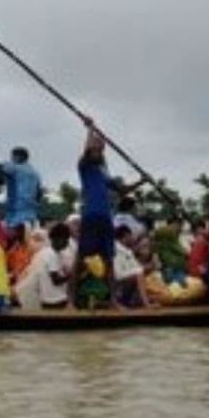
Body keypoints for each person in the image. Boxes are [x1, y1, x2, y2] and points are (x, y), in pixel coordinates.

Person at [76, 121, 129, 304]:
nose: (99, 149)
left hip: (106, 219)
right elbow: (88, 149)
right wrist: (90, 129)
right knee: (81, 258)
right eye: (96, 147)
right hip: (90, 216)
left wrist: (143, 181)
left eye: (101, 148)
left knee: (109, 260)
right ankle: (70, 300)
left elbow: (122, 190)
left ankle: (114, 301)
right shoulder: (84, 166)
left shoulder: (103, 173)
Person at [14, 226, 71, 310]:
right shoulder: (51, 254)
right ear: (56, 239)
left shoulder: (49, 253)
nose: (67, 243)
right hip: (49, 299)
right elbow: (56, 280)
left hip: (42, 296)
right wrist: (70, 276)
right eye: (65, 240)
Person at [113, 224, 152, 308]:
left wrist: (148, 267)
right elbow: (118, 273)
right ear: (125, 236)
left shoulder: (127, 250)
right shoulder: (116, 249)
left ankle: (139, 301)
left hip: (126, 277)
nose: (132, 238)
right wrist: (141, 270)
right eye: (130, 236)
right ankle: (146, 304)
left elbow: (136, 266)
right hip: (118, 279)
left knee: (145, 273)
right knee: (139, 273)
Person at [151, 216, 188, 285]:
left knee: (174, 286)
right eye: (180, 225)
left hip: (172, 266)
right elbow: (181, 250)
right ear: (175, 223)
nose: (180, 228)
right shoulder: (169, 232)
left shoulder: (167, 234)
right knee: (176, 286)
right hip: (171, 267)